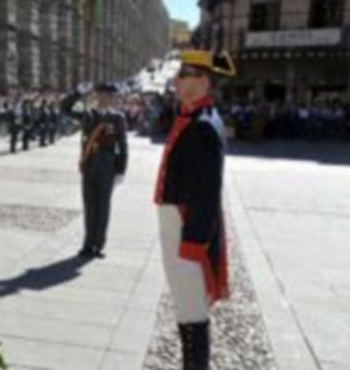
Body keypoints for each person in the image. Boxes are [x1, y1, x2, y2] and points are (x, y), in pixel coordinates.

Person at [155, 49, 234, 370]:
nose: (179, 82)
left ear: (204, 82)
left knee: (192, 314)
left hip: (186, 227)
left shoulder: (202, 125)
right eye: (179, 75)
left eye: (187, 76)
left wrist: (194, 243)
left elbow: (206, 193)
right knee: (186, 308)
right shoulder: (195, 116)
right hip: (177, 219)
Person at [77, 84, 128, 259]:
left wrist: (121, 169)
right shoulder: (88, 114)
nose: (103, 98)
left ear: (111, 98)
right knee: (89, 205)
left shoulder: (117, 118)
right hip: (89, 164)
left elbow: (122, 145)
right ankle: (87, 243)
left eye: (107, 95)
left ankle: (98, 244)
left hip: (107, 165)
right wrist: (79, 92)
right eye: (100, 94)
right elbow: (65, 108)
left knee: (103, 206)